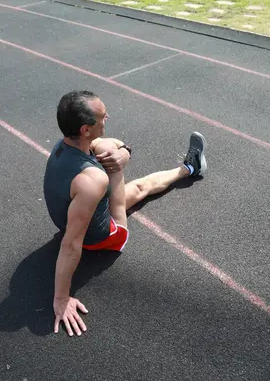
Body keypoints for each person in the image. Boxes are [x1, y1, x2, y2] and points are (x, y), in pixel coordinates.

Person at [43, 90, 207, 337]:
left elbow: (108, 145)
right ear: (85, 129)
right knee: (140, 187)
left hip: (73, 216)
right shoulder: (93, 180)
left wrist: (125, 151)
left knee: (111, 148)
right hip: (105, 238)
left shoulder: (63, 145)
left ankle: (189, 168)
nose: (107, 116)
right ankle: (189, 168)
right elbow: (71, 245)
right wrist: (61, 297)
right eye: (102, 117)